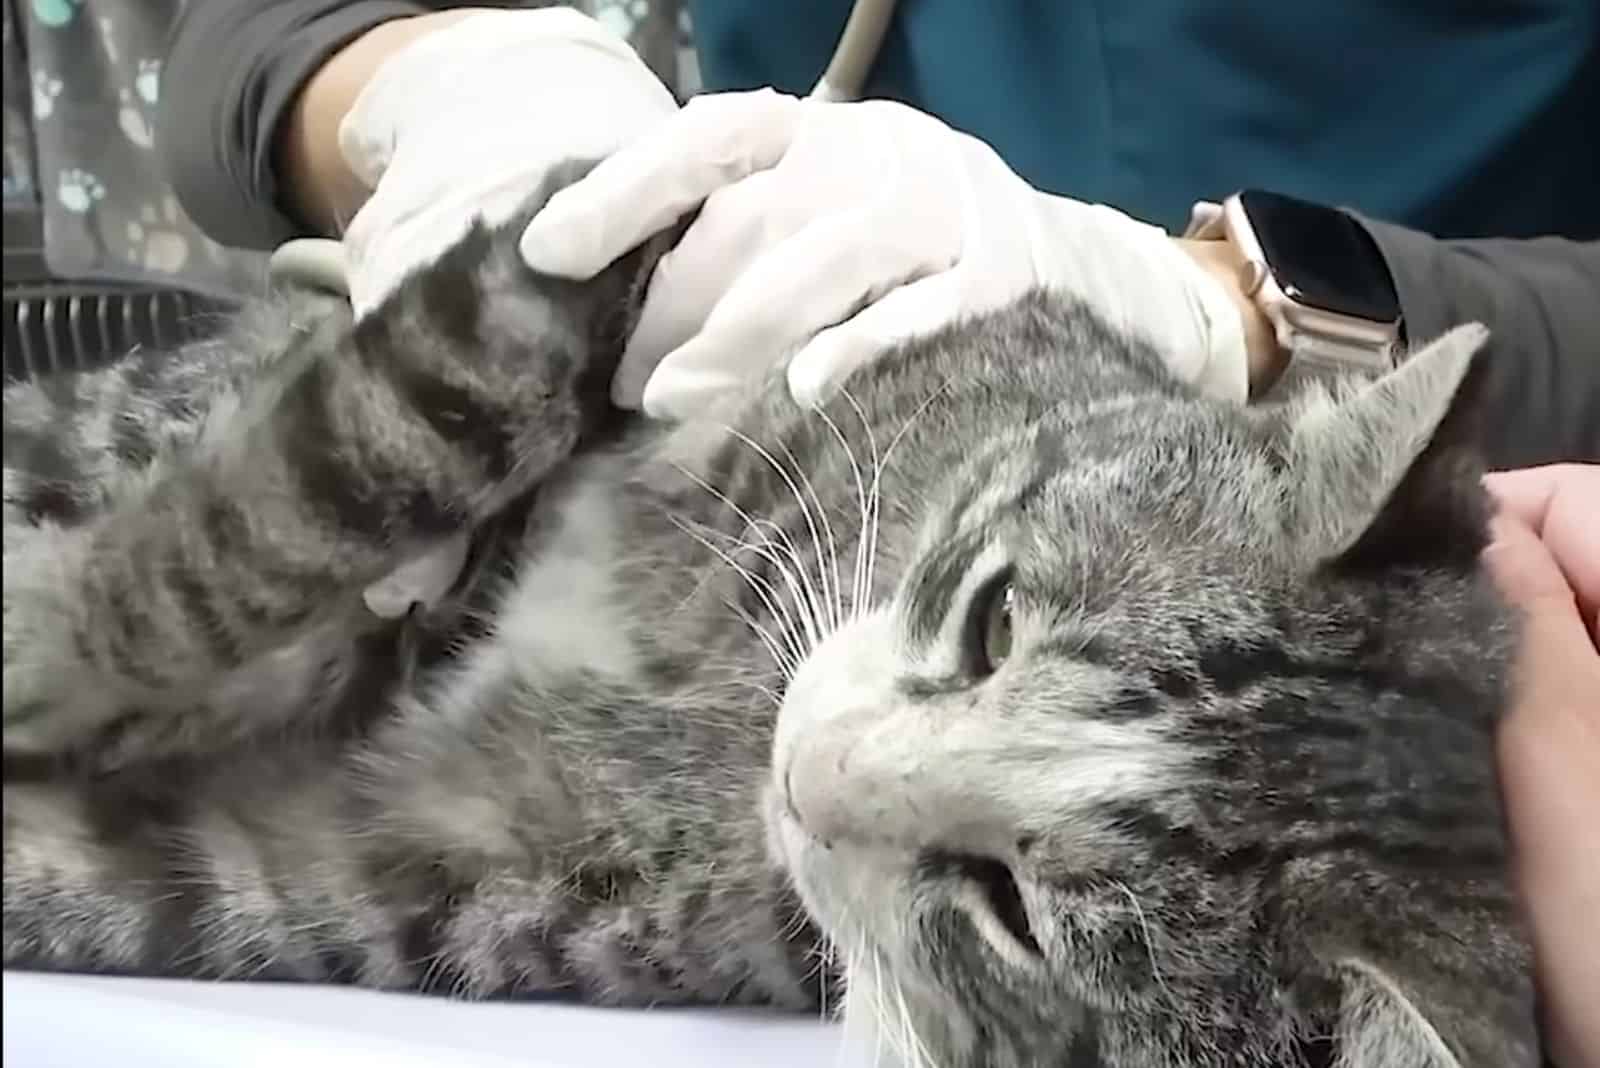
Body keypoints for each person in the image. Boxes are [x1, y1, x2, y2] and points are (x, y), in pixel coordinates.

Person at [155, 7, 1597, 1063]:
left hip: (1389, 645)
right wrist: (450, 77)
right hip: (751, 399)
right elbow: (239, 51)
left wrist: (1264, 301)